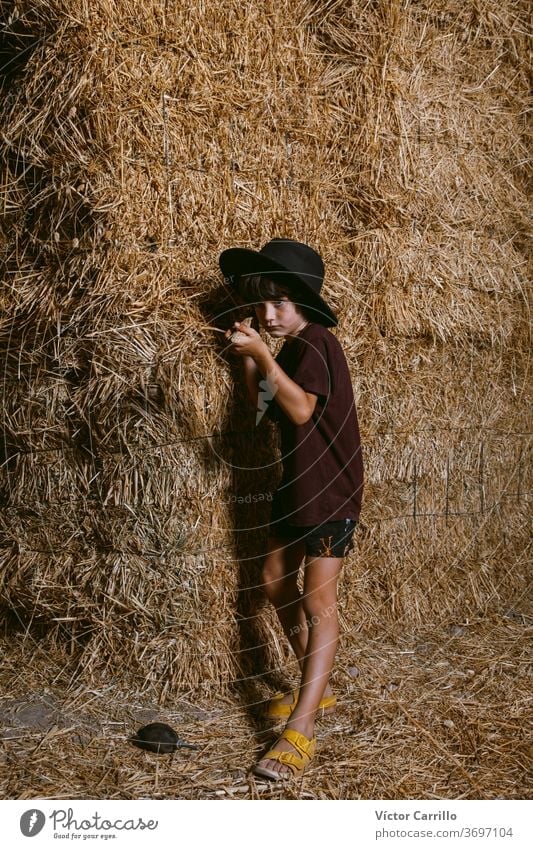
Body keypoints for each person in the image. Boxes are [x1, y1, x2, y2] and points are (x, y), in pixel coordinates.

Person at [219, 238, 364, 780]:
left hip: (331, 489)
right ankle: (315, 687)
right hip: (296, 486)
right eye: (262, 304)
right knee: (274, 582)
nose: (268, 313)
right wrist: (251, 363)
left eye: (279, 302)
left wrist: (261, 354)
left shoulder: (319, 341)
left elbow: (301, 411)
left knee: (316, 599)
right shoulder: (291, 351)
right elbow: (263, 412)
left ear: (305, 303)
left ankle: (300, 729)